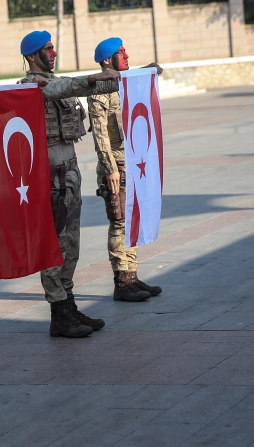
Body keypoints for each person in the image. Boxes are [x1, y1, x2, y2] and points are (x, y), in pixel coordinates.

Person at [19, 30, 123, 338]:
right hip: (49, 174)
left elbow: (78, 85)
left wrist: (141, 75)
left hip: (69, 171)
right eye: (46, 50)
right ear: (30, 57)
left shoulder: (55, 80)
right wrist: (92, 78)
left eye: (52, 48)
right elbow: (62, 88)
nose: (52, 53)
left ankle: (68, 303)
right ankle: (58, 312)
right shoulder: (28, 86)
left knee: (72, 245)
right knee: (55, 243)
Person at [88, 37, 163, 301]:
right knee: (119, 223)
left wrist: (150, 70)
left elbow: (139, 78)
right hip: (116, 166)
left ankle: (132, 275)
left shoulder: (126, 83)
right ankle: (121, 281)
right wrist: (110, 169)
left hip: (132, 162)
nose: (127, 55)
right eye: (121, 52)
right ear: (107, 60)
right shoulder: (99, 90)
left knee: (132, 219)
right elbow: (99, 135)